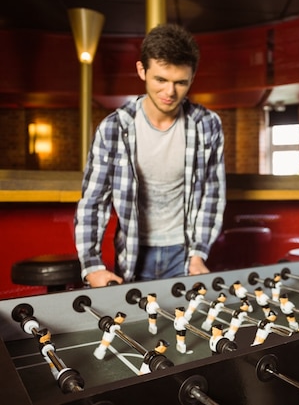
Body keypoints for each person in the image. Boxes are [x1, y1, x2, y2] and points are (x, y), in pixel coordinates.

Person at [74, 23, 226, 288]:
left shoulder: (207, 125)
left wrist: (198, 254)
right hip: (134, 253)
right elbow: (94, 201)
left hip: (185, 253)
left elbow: (213, 194)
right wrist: (92, 265)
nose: (170, 92)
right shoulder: (115, 128)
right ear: (141, 70)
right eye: (161, 80)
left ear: (192, 77)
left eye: (181, 82)